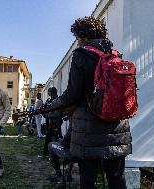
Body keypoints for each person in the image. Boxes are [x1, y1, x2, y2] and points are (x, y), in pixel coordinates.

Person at [49, 16, 132, 189]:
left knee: (89, 181)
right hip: (117, 129)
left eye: (77, 37)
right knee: (117, 180)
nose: (77, 42)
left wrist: (54, 104)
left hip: (88, 131)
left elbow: (72, 94)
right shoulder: (115, 55)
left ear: (83, 36)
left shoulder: (81, 55)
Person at [42, 87, 63, 157]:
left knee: (57, 139)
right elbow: (45, 108)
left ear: (52, 93)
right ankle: (46, 153)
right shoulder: (49, 100)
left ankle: (59, 154)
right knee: (48, 138)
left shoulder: (58, 100)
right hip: (50, 123)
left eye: (49, 92)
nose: (48, 93)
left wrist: (47, 115)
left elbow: (58, 114)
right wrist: (43, 112)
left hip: (56, 123)